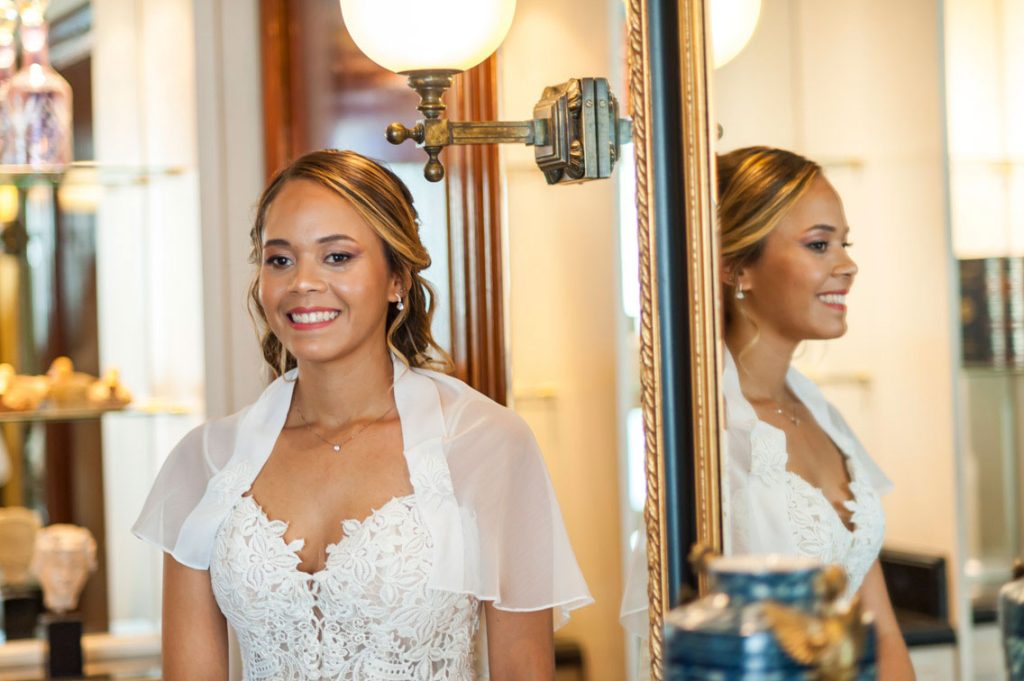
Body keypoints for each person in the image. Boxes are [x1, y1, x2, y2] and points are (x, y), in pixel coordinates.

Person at [133, 149, 591, 680]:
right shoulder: (206, 461)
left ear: (397, 278)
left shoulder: (484, 443)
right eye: (280, 259)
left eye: (337, 257)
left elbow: (524, 671)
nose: (302, 282)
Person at [719, 146, 914, 679]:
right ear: (737, 266)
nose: (848, 265)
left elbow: (881, 629)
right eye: (819, 244)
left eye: (843, 244)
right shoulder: (716, 435)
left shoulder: (823, 416)